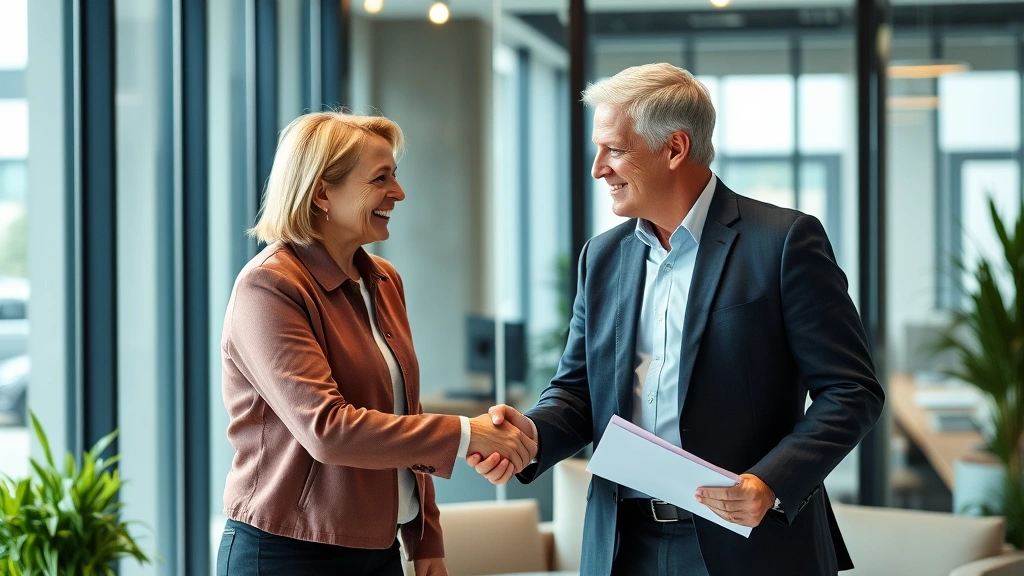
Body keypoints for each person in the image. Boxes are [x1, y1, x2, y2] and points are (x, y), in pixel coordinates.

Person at [468, 63, 885, 576]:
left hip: (748, 546)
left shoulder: (782, 243)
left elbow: (851, 391)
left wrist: (770, 481)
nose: (599, 168)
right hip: (623, 546)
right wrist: (528, 435)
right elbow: (577, 392)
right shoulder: (601, 258)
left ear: (674, 148)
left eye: (614, 149)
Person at [216, 111, 536, 576]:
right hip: (287, 554)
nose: (399, 192)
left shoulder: (384, 281)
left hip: (379, 550)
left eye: (395, 175)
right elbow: (328, 430)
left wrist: (426, 538)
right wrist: (468, 434)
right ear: (322, 191)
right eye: (380, 178)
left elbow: (403, 414)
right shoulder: (270, 287)